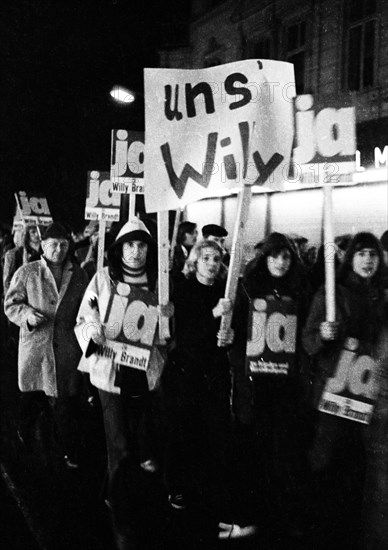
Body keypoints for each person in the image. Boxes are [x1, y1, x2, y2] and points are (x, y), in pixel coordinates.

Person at [75, 217, 172, 550]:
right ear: (119, 249)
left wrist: (169, 318)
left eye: (141, 244)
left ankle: (112, 491)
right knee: (120, 446)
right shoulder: (102, 280)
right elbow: (85, 316)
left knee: (140, 446)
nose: (135, 252)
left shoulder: (161, 283)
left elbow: (167, 339)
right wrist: (93, 331)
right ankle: (123, 525)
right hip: (109, 375)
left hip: (145, 376)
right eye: (129, 245)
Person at [302, 231, 387, 548]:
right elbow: (308, 341)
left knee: (357, 465)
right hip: (334, 390)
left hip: (368, 394)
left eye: (373, 254)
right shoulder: (332, 293)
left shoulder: (382, 296)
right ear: (350, 258)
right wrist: (323, 334)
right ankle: (320, 526)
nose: (368, 260)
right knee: (326, 457)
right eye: (361, 253)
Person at [229, 232, 313, 539]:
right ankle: (251, 513)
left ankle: (282, 517)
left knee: (284, 451)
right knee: (252, 448)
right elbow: (235, 332)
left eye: (286, 256)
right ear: (264, 259)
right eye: (275, 255)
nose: (280, 261)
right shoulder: (247, 289)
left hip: (287, 385)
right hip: (255, 381)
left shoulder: (302, 290)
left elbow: (306, 336)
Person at [164, 239, 238, 538]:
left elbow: (233, 331)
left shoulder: (226, 292)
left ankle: (207, 486)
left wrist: (230, 334)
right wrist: (214, 315)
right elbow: (184, 333)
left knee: (213, 432)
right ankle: (178, 488)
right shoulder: (182, 290)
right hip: (185, 373)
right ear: (195, 261)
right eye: (206, 258)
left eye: (217, 259)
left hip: (215, 374)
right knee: (183, 431)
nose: (212, 264)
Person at [4, 222, 89, 468]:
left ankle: (67, 451)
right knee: (32, 396)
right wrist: (27, 316)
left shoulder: (79, 274)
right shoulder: (27, 272)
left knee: (63, 401)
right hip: (37, 345)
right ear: (43, 246)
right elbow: (11, 304)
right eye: (53, 245)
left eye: (63, 245)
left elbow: (88, 308)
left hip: (66, 347)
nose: (58, 250)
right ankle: (24, 436)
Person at [3, 223, 42, 296]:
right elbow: (7, 279)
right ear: (27, 235)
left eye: (38, 231)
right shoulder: (15, 254)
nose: (37, 234)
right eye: (33, 232)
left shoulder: (42, 253)